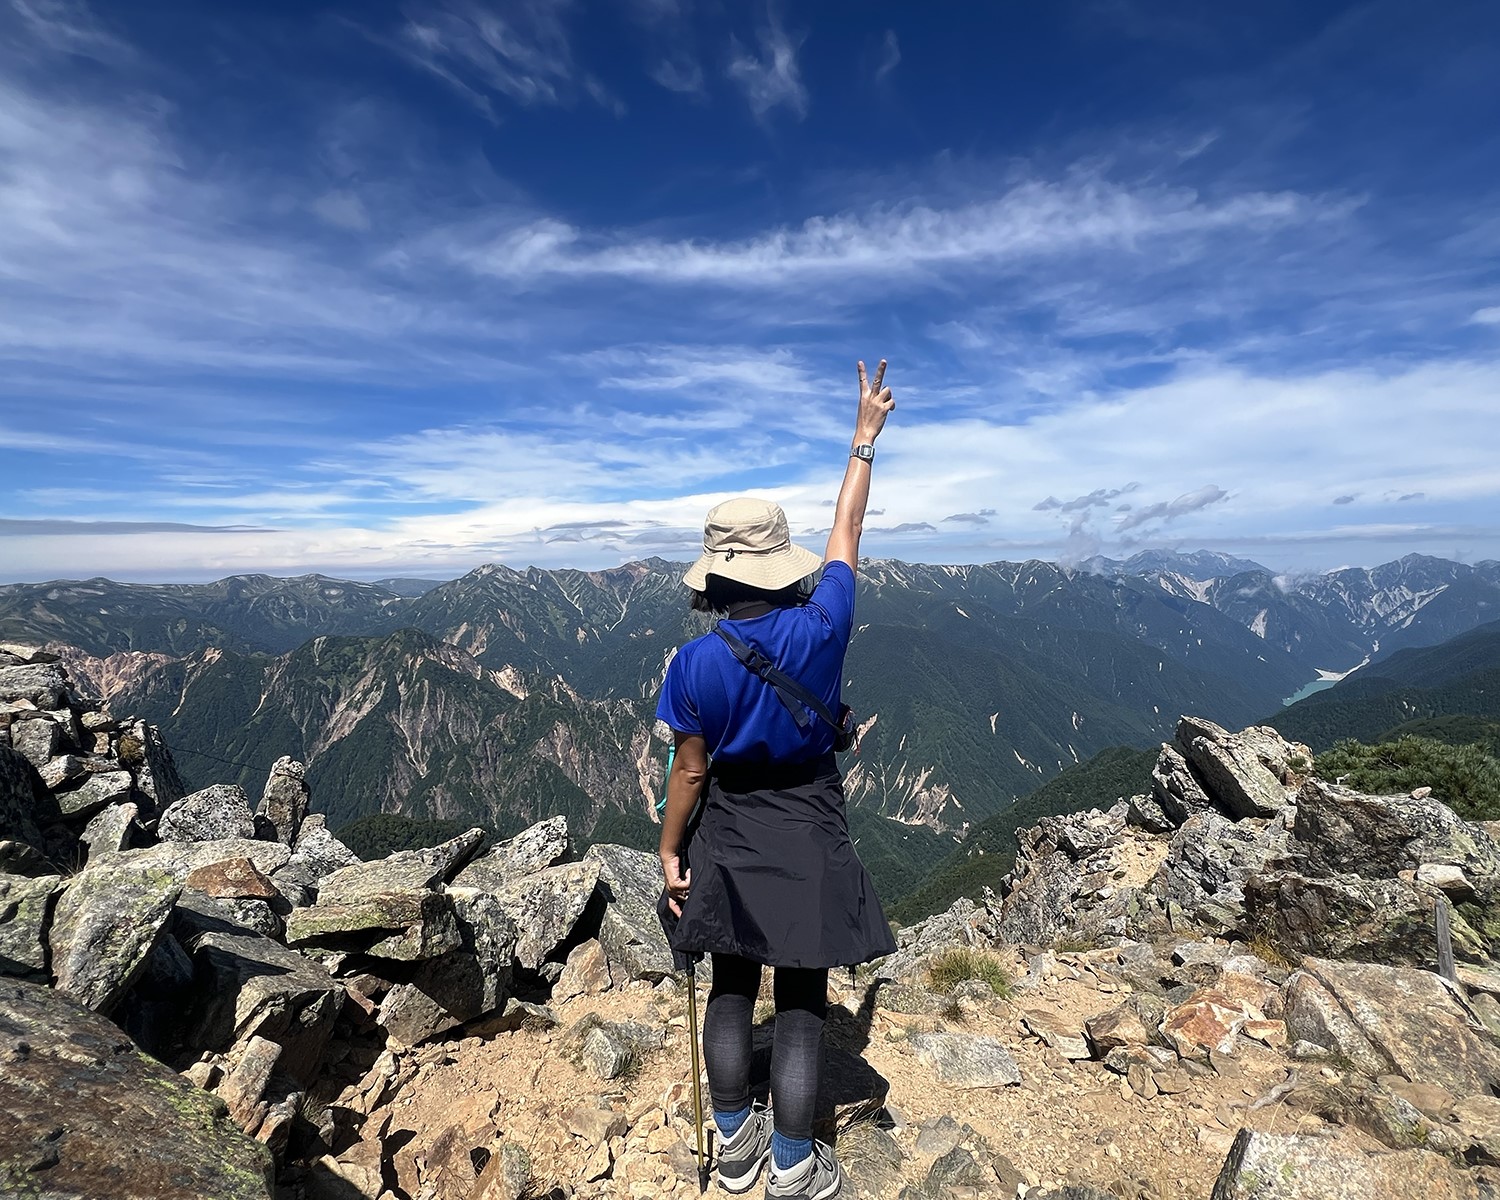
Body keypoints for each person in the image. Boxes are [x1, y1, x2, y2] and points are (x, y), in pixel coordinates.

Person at [656, 359, 898, 1200]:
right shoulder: (826, 623)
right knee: (800, 994)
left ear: (715, 574)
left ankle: (732, 1145)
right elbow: (848, 531)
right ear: (778, 564)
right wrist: (863, 437)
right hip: (807, 823)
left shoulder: (691, 663)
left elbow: (689, 770)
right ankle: (794, 1162)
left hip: (727, 827)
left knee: (730, 981)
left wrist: (667, 850)